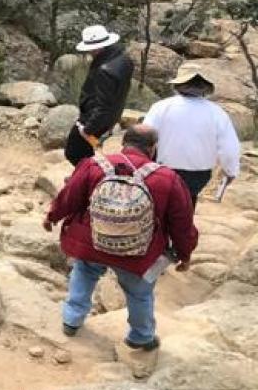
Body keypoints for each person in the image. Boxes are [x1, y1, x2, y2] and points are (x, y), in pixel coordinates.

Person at [44, 125, 198, 350]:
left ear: (124, 142)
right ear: (153, 148)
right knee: (139, 293)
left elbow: (69, 197)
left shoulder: (95, 165)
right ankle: (141, 336)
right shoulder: (168, 178)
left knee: (84, 273)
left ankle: (71, 319)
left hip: (93, 242)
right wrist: (185, 254)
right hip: (138, 252)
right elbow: (182, 223)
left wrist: (51, 216)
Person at [142, 63, 241, 206]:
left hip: (163, 169)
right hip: (199, 173)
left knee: (161, 207)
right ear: (205, 87)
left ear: (178, 85)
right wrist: (231, 171)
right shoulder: (216, 112)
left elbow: (145, 136)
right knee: (187, 205)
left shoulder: (161, 107)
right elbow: (229, 148)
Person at [66, 25, 134, 166]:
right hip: (112, 115)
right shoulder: (123, 58)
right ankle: (87, 175)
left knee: (74, 152)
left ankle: (88, 177)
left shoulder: (104, 70)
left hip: (95, 118)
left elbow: (103, 105)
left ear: (96, 48)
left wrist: (88, 128)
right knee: (85, 150)